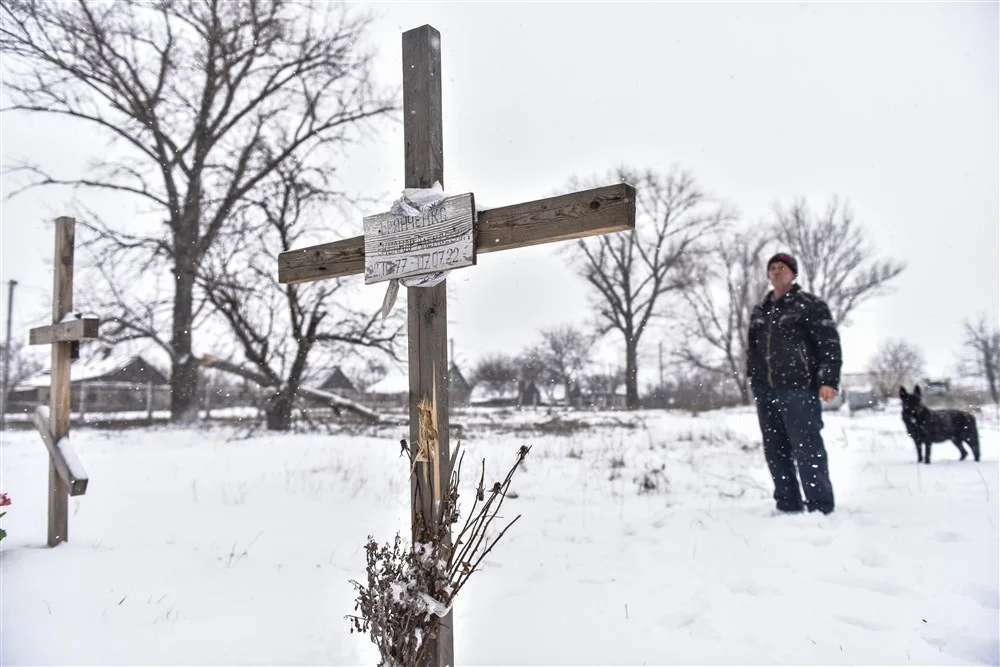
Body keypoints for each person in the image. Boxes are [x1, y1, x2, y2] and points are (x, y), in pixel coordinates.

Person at [746, 253, 842, 515]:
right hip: (766, 390)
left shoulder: (810, 305)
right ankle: (787, 504)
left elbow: (829, 344)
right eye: (773, 268)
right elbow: (753, 350)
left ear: (793, 274)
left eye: (783, 268)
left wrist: (828, 380)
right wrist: (754, 380)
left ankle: (820, 505)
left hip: (798, 388)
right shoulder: (761, 309)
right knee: (775, 449)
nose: (777, 272)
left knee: (807, 447)